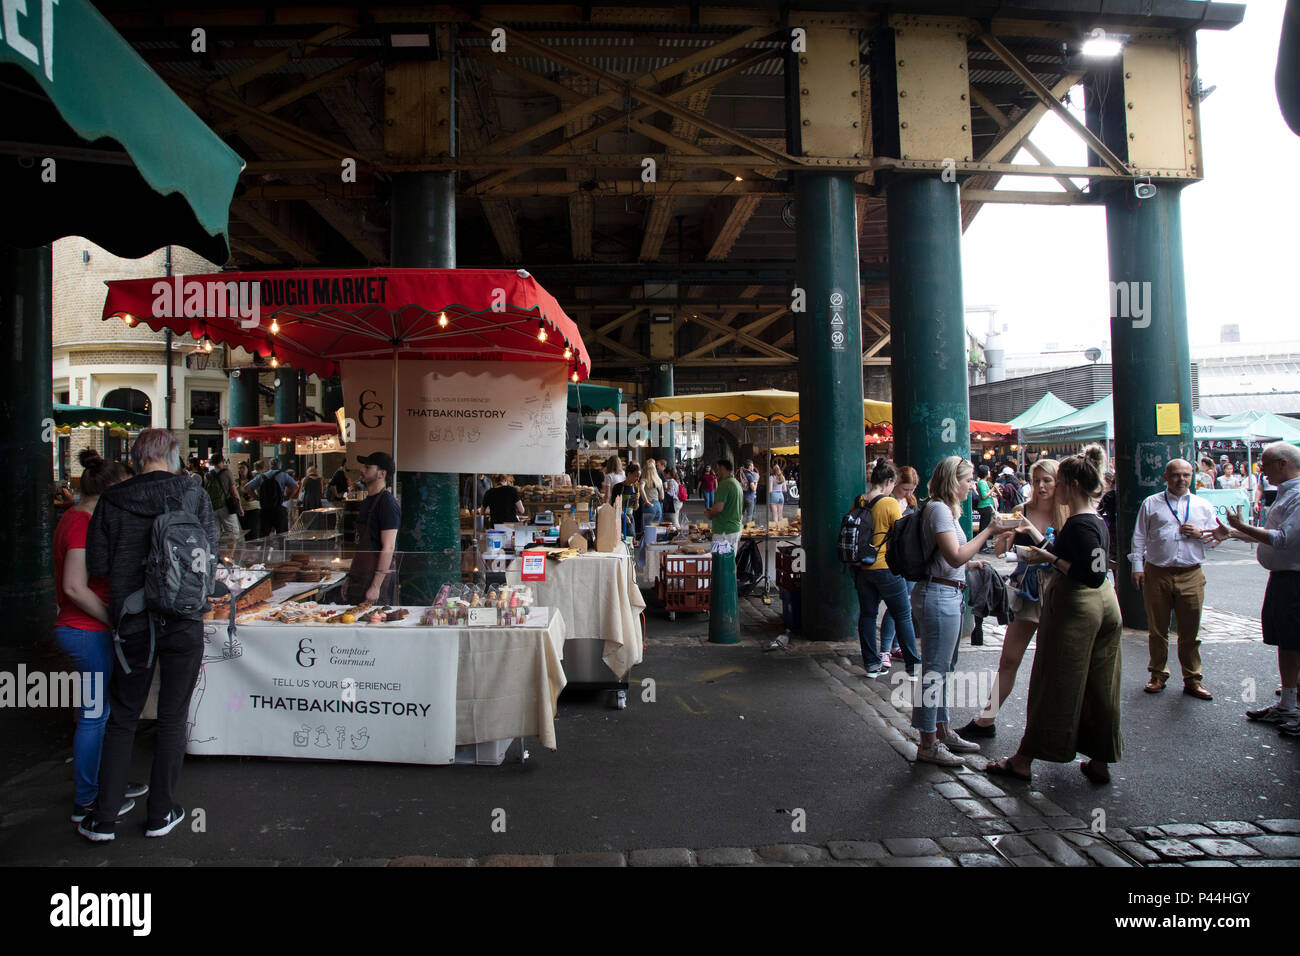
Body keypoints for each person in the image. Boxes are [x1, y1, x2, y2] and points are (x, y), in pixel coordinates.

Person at [80, 428, 218, 841]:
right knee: (172, 716)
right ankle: (161, 813)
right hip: (183, 619)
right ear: (173, 455)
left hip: (132, 623)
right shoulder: (194, 493)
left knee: (123, 716)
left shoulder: (111, 499)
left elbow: (99, 565)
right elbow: (208, 555)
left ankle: (103, 818)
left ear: (137, 458)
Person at [985, 445, 1122, 784]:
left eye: (1057, 482)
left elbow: (1088, 573)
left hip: (1078, 607)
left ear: (1072, 484)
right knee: (1101, 685)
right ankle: (1101, 759)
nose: (1051, 488)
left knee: (1053, 681)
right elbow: (1097, 568)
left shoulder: (1079, 524)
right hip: (1106, 606)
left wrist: (1050, 560)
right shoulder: (1094, 518)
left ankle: (1023, 759)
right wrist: (1044, 549)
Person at [55, 450, 146, 825]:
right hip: (85, 632)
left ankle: (105, 786)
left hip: (85, 631)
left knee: (100, 713)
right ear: (110, 490)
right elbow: (74, 587)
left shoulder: (80, 518)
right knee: (95, 715)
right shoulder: (80, 523)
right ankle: (87, 800)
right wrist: (113, 620)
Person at [911, 457, 1015, 766]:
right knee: (934, 671)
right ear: (953, 481)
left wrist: (974, 561)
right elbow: (955, 557)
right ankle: (928, 742)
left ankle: (941, 731)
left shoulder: (946, 510)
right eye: (968, 480)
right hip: (939, 596)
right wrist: (989, 531)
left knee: (943, 669)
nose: (973, 485)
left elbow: (950, 558)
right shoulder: (939, 510)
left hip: (948, 593)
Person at [958, 459, 1069, 740]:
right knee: (1009, 659)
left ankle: (1053, 728)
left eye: (1048, 480)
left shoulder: (1067, 513)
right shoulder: (1021, 510)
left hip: (1058, 591)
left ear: (1058, 482)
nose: (1042, 486)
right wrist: (1006, 536)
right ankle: (986, 719)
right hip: (1026, 590)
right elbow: (998, 552)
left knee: (1056, 664)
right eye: (1038, 480)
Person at [1206, 443, 1300, 734]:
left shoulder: (1297, 496)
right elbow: (1272, 538)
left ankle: (1290, 706)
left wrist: (1241, 527)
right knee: (1288, 640)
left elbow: (1282, 539)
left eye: (1266, 464)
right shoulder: (1288, 494)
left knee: (1292, 641)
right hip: (1285, 577)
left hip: (1293, 579)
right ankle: (1288, 704)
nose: (1261, 471)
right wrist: (1234, 532)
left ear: (1283, 464)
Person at [1129, 458, 1221, 699]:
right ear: (1166, 477)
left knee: (1190, 631)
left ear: (1192, 477)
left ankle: (1193, 678)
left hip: (1191, 573)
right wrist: (1137, 567)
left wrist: (1203, 534)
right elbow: (1139, 537)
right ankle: (1157, 674)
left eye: (1186, 475)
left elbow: (1215, 540)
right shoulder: (1152, 503)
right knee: (1157, 629)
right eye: (1176, 475)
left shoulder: (1203, 506)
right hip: (1157, 571)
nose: (1181, 479)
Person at [853, 459, 920, 681]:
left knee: (868, 615)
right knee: (903, 614)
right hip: (886, 568)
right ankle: (912, 666)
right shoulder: (890, 504)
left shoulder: (860, 500)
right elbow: (902, 537)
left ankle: (872, 664)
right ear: (889, 481)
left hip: (863, 568)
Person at [345, 452, 401, 605]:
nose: (362, 470)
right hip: (360, 575)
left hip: (374, 581)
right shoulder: (368, 501)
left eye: (368, 467)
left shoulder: (387, 504)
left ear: (381, 474)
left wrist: (376, 586)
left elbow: (388, 547)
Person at [879, 465, 920, 668]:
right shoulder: (889, 503)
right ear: (895, 484)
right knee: (897, 605)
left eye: (912, 489)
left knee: (905, 604)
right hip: (894, 558)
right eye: (905, 489)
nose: (909, 493)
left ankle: (895, 646)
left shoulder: (911, 502)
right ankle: (885, 648)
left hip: (910, 559)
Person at [245, 458, 297, 538]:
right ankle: (281, 549)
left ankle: (264, 549)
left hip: (265, 509)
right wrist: (288, 497)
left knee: (264, 535)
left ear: (269, 465)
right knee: (282, 535)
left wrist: (257, 497)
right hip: (279, 509)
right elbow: (295, 486)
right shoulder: (284, 475)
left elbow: (247, 487)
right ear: (280, 465)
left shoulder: (262, 476)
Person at [706, 458, 744, 551]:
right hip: (734, 528)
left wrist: (709, 513)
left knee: (722, 562)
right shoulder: (736, 483)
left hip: (724, 531)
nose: (716, 472)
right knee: (730, 561)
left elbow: (718, 508)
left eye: (717, 469)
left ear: (722, 468)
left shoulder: (724, 484)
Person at [208, 451, 243, 541]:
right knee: (233, 533)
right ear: (222, 461)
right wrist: (239, 507)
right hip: (226, 506)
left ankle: (216, 553)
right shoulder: (227, 473)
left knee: (215, 533)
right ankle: (230, 554)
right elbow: (234, 491)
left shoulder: (208, 474)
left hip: (213, 507)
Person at [609, 462, 648, 539]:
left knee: (630, 539)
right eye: (635, 476)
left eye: (638, 477)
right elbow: (614, 505)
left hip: (630, 517)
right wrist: (623, 515)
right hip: (618, 516)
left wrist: (637, 501)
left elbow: (635, 508)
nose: (637, 479)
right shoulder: (618, 487)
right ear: (629, 474)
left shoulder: (635, 488)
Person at [974, 464, 997, 550]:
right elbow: (983, 496)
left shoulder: (983, 482)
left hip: (986, 506)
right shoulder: (982, 483)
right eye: (988, 470)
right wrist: (992, 490)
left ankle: (983, 545)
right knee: (984, 527)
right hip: (984, 506)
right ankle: (982, 546)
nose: (989, 472)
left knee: (984, 526)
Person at [642, 460, 664, 528]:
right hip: (658, 506)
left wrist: (646, 501)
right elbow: (662, 497)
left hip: (649, 506)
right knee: (656, 530)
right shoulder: (659, 481)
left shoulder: (644, 480)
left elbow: (641, 488)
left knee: (647, 530)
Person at [739, 460, 759, 525]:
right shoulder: (750, 476)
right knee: (749, 515)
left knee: (741, 513)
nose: (753, 467)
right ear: (750, 466)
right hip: (749, 497)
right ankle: (747, 529)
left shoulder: (742, 474)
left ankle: (739, 527)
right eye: (752, 465)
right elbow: (753, 488)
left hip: (742, 496)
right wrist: (756, 483)